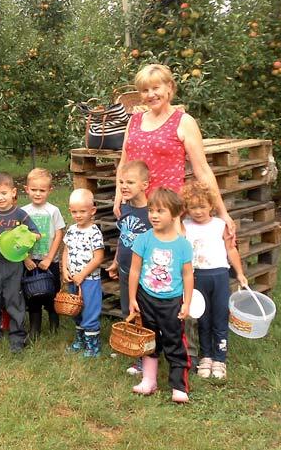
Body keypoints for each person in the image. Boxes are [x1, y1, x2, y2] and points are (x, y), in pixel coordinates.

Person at [114, 63, 236, 242]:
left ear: (169, 87)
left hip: (167, 210)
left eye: (156, 88)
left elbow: (202, 170)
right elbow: (124, 163)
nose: (151, 94)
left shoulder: (184, 122)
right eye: (145, 90)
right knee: (133, 262)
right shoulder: (134, 121)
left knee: (164, 265)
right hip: (135, 207)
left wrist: (222, 212)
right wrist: (119, 194)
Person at [129, 188, 194, 403]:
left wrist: (187, 302)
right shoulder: (144, 239)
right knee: (149, 340)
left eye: (160, 211)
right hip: (146, 298)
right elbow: (135, 271)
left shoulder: (182, 244)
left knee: (174, 342)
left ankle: (179, 386)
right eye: (151, 210)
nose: (153, 215)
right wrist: (132, 298)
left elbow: (187, 275)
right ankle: (149, 380)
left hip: (172, 301)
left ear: (174, 214)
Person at [182, 180, 248, 381]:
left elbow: (231, 250)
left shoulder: (221, 225)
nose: (198, 211)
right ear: (187, 208)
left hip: (218, 276)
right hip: (196, 277)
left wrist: (240, 273)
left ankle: (220, 357)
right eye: (193, 207)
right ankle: (206, 356)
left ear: (211, 205)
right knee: (202, 318)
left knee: (219, 317)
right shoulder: (184, 226)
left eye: (202, 206)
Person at [0, 172, 40, 354]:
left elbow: (35, 235)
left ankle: (17, 336)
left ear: (13, 192)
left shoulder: (21, 214)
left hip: (13, 265)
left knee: (14, 299)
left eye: (3, 193)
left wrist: (21, 239)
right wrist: (0, 243)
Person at [107, 160, 151, 375]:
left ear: (145, 185)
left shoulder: (152, 212)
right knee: (128, 311)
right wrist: (116, 261)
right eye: (121, 182)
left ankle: (145, 357)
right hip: (125, 269)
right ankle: (130, 348)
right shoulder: (124, 207)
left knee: (142, 313)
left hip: (143, 274)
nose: (124, 186)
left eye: (130, 182)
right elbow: (123, 237)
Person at [21, 168, 66, 340]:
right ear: (27, 189)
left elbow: (59, 234)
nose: (37, 194)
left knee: (51, 294)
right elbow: (18, 237)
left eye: (42, 190)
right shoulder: (23, 211)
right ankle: (34, 329)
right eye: (34, 190)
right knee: (32, 294)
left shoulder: (53, 211)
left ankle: (54, 326)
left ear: (50, 190)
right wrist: (25, 258)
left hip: (49, 261)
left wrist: (49, 258)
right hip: (31, 260)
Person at [62, 188, 105, 358]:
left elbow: (98, 258)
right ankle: (80, 339)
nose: (78, 215)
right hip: (73, 279)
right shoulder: (72, 229)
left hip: (89, 280)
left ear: (92, 210)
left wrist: (83, 274)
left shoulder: (94, 232)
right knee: (76, 310)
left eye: (82, 211)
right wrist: (64, 269)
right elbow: (66, 250)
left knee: (90, 310)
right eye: (74, 212)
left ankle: (93, 346)